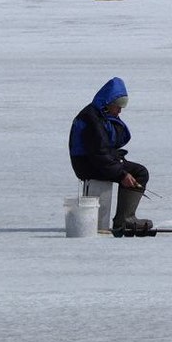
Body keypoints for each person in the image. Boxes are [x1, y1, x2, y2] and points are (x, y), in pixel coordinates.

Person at [68, 77, 153, 236]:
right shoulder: (92, 119)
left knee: (139, 171)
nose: (120, 110)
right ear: (108, 102)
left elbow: (109, 144)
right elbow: (98, 154)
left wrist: (116, 158)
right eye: (118, 106)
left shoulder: (101, 115)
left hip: (96, 161)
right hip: (88, 164)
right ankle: (124, 220)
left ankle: (125, 218)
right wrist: (122, 174)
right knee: (136, 173)